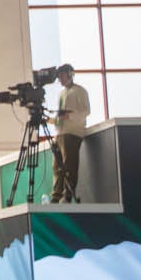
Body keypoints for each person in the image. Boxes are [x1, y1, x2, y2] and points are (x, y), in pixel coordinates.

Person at [48, 65, 89, 202]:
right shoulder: (61, 94)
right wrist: (51, 120)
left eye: (62, 76)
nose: (59, 79)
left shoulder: (79, 91)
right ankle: (56, 195)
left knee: (69, 165)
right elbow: (61, 117)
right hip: (60, 133)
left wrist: (69, 116)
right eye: (59, 76)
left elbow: (85, 111)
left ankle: (67, 195)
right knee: (57, 166)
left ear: (70, 74)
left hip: (72, 133)